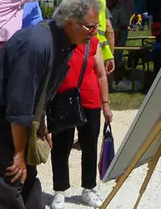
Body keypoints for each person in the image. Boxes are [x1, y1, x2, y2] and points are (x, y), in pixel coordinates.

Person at [0, 0, 100, 209]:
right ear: (70, 22)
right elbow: (19, 105)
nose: (94, 32)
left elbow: (42, 90)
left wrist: (39, 122)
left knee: (27, 173)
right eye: (90, 27)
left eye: (96, 26)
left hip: (15, 108)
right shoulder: (38, 44)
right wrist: (19, 153)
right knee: (10, 173)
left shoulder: (65, 42)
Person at [50, 31, 113, 209]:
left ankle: (89, 188)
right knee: (60, 146)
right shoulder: (58, 40)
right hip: (62, 100)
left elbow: (101, 74)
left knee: (90, 145)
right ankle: (59, 190)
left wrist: (106, 103)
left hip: (90, 101)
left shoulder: (93, 43)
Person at [66, 0, 115, 75]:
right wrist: (110, 55)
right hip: (100, 51)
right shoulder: (100, 1)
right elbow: (109, 30)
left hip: (76, 51)